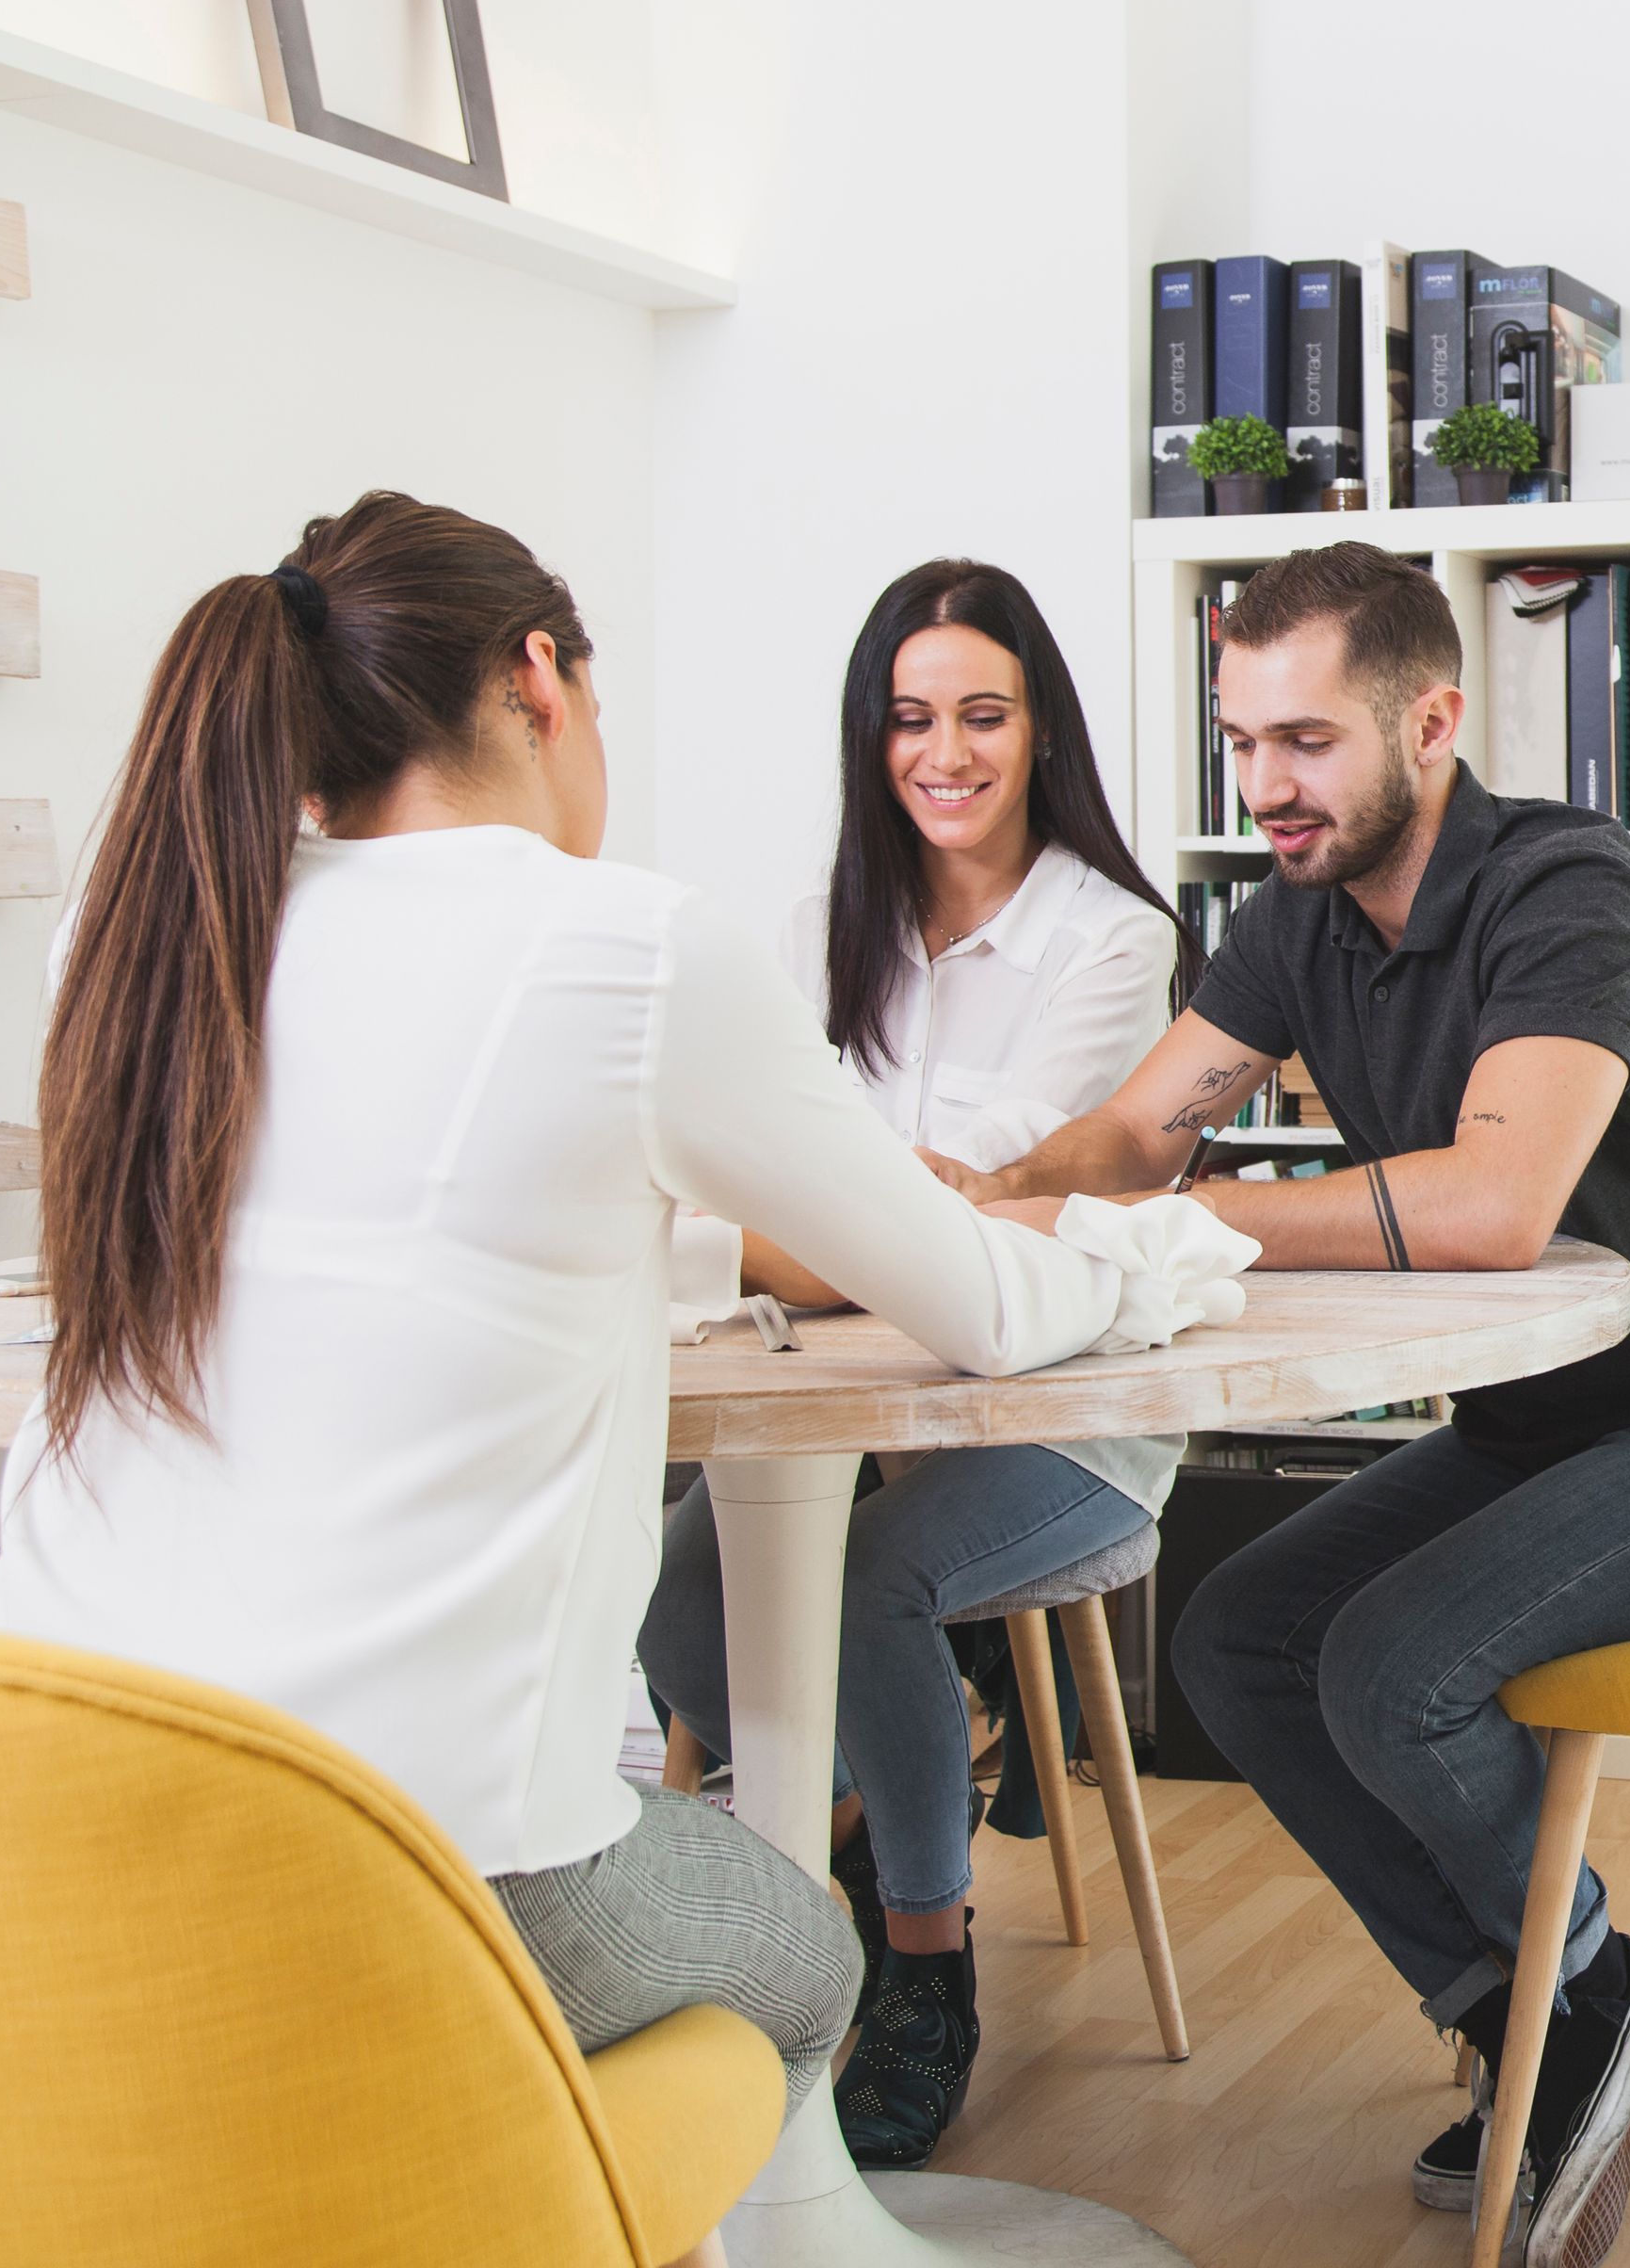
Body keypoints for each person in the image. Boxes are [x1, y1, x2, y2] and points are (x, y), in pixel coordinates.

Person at [0, 492, 1198, 2128]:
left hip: (16, 1822)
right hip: (419, 1869)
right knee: (804, 1962)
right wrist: (1168, 1254)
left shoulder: (135, 934)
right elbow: (977, 1295)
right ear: (542, 680)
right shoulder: (629, 945)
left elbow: (465, 1221)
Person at [923, 540, 1630, 2266]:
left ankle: (1581, 1996)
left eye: (1305, 742)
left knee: (1394, 1666)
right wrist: (979, 1198)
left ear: (1432, 722)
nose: (1262, 786)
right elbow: (1134, 1136)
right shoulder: (1299, 921)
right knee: (1239, 1641)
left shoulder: (1570, 891)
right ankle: (1536, 2002)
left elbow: (1486, 1206)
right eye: (1240, 741)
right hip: (1552, 1422)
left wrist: (1154, 1221)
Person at [640, 558, 1195, 2172]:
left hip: (1063, 1406)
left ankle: (925, 1968)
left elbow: (957, 1198)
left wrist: (775, 1208)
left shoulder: (1112, 943)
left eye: (980, 715)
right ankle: (880, 1819)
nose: (941, 752)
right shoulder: (837, 926)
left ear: (1040, 733)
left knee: (868, 1587)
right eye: (907, 718)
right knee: (672, 1592)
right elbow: (813, 1192)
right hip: (858, 1393)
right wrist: (797, 1208)